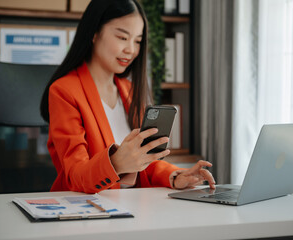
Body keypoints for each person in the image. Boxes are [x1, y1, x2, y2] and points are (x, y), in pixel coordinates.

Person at [40, 0, 215, 193]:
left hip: (132, 207)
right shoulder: (64, 91)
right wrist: (116, 163)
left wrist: (176, 176)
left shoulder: (129, 90)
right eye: (122, 38)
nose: (131, 50)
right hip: (88, 209)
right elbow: (75, 176)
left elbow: (144, 163)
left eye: (137, 41)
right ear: (94, 33)